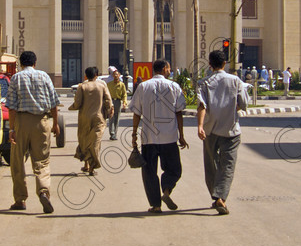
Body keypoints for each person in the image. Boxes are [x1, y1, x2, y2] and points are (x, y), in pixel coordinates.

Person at [130, 59, 188, 214]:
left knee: (149, 171)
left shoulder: (143, 87)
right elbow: (179, 113)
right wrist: (181, 135)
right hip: (169, 137)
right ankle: (167, 190)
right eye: (169, 68)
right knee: (174, 169)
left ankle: (156, 205)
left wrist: (134, 134)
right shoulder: (174, 86)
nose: (170, 71)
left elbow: (136, 113)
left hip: (148, 138)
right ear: (164, 69)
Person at [7, 50, 61, 213]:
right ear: (35, 63)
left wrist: (11, 129)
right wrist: (55, 124)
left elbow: (12, 107)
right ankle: (44, 191)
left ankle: (20, 199)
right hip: (41, 122)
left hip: (22, 122)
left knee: (17, 161)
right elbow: (54, 103)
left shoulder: (16, 77)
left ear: (21, 64)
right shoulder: (44, 76)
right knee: (42, 160)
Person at [197, 50, 249, 215]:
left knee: (210, 163)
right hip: (231, 130)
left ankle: (216, 195)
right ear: (224, 63)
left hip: (210, 130)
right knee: (227, 165)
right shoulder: (235, 81)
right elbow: (243, 103)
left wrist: (199, 126)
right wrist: (231, 109)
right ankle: (220, 197)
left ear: (210, 65)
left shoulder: (204, 82)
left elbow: (202, 106)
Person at [69, 67, 113, 175]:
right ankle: (92, 167)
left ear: (86, 75)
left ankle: (86, 164)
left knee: (84, 140)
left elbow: (78, 103)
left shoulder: (82, 86)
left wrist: (72, 107)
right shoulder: (102, 85)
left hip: (84, 118)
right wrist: (110, 110)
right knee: (95, 141)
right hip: (99, 117)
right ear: (96, 75)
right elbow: (108, 100)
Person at [106, 66, 127, 141]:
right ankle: (112, 133)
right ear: (112, 76)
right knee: (111, 118)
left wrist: (124, 103)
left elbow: (124, 94)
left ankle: (115, 133)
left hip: (118, 102)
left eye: (117, 74)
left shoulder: (122, 85)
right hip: (111, 102)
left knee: (117, 118)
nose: (115, 76)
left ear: (119, 75)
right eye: (114, 74)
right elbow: (106, 93)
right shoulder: (109, 84)